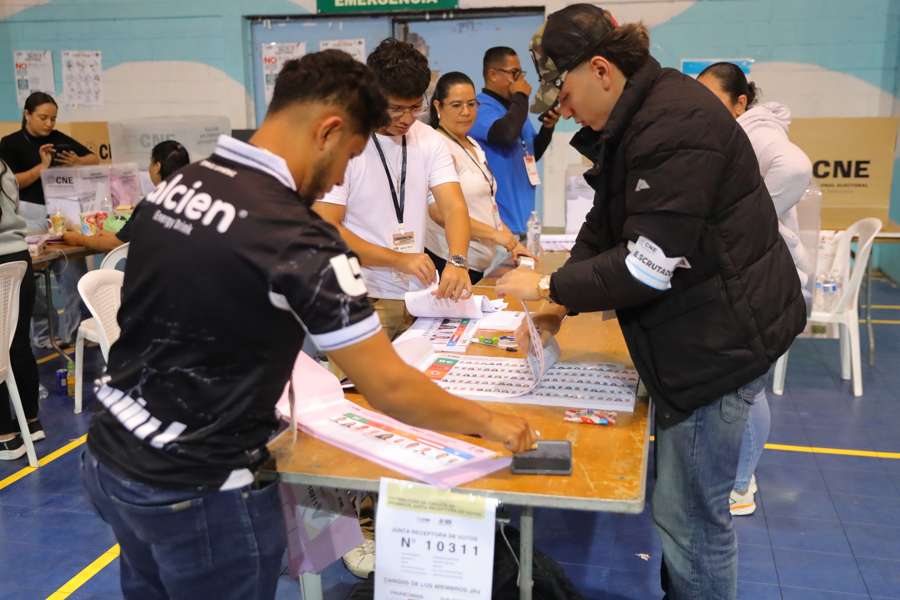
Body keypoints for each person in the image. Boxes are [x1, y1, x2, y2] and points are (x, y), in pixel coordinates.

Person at [81, 51, 535, 599]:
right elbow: (388, 386)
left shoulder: (184, 184)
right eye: (348, 156)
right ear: (328, 131)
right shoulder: (294, 233)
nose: (342, 175)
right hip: (201, 485)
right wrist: (492, 424)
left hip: (112, 458)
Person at [496, 5, 805, 599]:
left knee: (691, 521)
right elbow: (606, 223)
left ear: (603, 69)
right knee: (683, 512)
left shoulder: (672, 124)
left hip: (718, 346)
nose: (562, 110)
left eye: (565, 92)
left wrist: (545, 287)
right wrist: (561, 304)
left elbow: (646, 264)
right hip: (708, 330)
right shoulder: (641, 115)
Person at [698, 62, 813, 516]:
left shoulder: (755, 131)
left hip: (767, 278)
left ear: (741, 101)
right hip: (756, 274)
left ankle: (739, 486)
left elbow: (796, 168)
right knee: (743, 388)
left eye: (713, 97)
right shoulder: (735, 132)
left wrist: (745, 220)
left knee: (748, 390)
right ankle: (740, 473)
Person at [315, 38, 474, 342]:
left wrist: (457, 260)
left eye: (415, 107)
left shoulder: (429, 140)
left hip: (418, 297)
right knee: (358, 389)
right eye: (396, 109)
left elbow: (453, 206)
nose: (406, 119)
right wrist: (398, 259)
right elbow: (326, 228)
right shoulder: (343, 141)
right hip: (359, 297)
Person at [0, 92, 100, 346]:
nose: (49, 124)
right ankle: (44, 335)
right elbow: (13, 182)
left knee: (71, 271)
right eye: (43, 118)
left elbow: (93, 158)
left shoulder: (58, 140)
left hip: (59, 212)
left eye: (53, 119)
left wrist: (76, 161)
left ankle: (74, 333)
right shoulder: (10, 144)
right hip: (27, 215)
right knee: (33, 281)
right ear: (27, 115)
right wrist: (41, 168)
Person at [426, 71, 531, 283]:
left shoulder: (472, 144)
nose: (466, 112)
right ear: (438, 106)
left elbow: (488, 205)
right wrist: (494, 236)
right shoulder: (436, 145)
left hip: (478, 264)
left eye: (472, 104)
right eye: (456, 105)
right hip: (449, 263)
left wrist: (513, 242)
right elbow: (438, 210)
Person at [469, 46, 560, 236]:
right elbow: (505, 135)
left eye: (520, 73)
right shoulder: (480, 108)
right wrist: (521, 96)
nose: (520, 80)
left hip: (525, 225)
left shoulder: (515, 111)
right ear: (493, 74)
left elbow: (532, 153)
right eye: (514, 73)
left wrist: (548, 127)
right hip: (499, 229)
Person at [62, 140, 191, 252]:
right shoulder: (193, 199)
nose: (149, 168)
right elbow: (124, 237)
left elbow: (115, 244)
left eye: (151, 163)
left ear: (157, 167)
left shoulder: (151, 204)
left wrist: (79, 239)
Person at [0, 159, 42, 459]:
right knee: (17, 343)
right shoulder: (4, 166)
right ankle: (30, 421)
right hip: (19, 258)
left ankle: (5, 436)